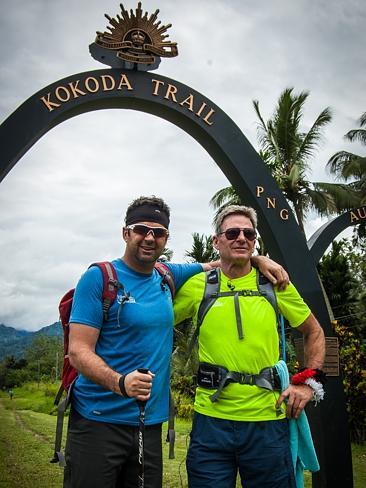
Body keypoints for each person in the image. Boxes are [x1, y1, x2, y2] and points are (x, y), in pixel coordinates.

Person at [64, 196, 289, 488]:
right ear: (126, 233)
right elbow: (78, 352)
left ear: (166, 238)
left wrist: (257, 257)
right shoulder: (99, 278)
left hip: (150, 423)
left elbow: (220, 262)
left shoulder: (167, 275)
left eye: (158, 232)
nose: (149, 237)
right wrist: (120, 383)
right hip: (98, 419)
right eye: (141, 229)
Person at [173, 204, 326, 488]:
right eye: (232, 233)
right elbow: (154, 318)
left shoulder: (274, 283)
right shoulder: (198, 286)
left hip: (267, 421)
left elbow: (314, 332)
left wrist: (308, 383)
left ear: (255, 242)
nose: (241, 238)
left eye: (248, 234)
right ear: (216, 241)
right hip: (211, 421)